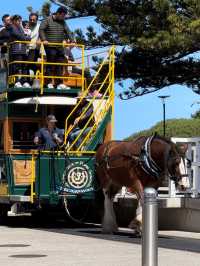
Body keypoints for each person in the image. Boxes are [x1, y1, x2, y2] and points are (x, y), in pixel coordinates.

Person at [39, 7, 73, 89]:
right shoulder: (47, 20)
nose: (63, 17)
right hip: (50, 46)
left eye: (64, 16)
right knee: (51, 64)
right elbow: (41, 30)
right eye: (62, 15)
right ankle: (48, 82)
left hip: (59, 46)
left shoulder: (63, 22)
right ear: (58, 13)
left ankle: (59, 83)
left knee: (60, 64)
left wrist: (73, 40)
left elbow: (68, 31)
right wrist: (44, 39)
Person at [8, 15, 31, 88]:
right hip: (16, 50)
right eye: (18, 20)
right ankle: (16, 81)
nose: (20, 22)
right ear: (14, 21)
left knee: (24, 66)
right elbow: (18, 35)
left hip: (23, 50)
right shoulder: (12, 27)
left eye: (20, 20)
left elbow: (23, 36)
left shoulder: (20, 27)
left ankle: (24, 81)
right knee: (17, 67)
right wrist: (26, 38)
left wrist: (25, 38)